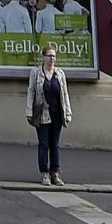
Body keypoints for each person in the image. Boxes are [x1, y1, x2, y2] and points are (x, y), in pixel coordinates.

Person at [23, 42, 71, 186]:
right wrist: (29, 110)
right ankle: (45, 173)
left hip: (57, 114)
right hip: (42, 113)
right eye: (49, 56)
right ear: (43, 57)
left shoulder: (60, 74)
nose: (52, 59)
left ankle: (55, 173)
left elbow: (65, 94)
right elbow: (31, 91)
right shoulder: (36, 73)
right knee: (44, 144)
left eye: (54, 56)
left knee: (55, 144)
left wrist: (68, 112)